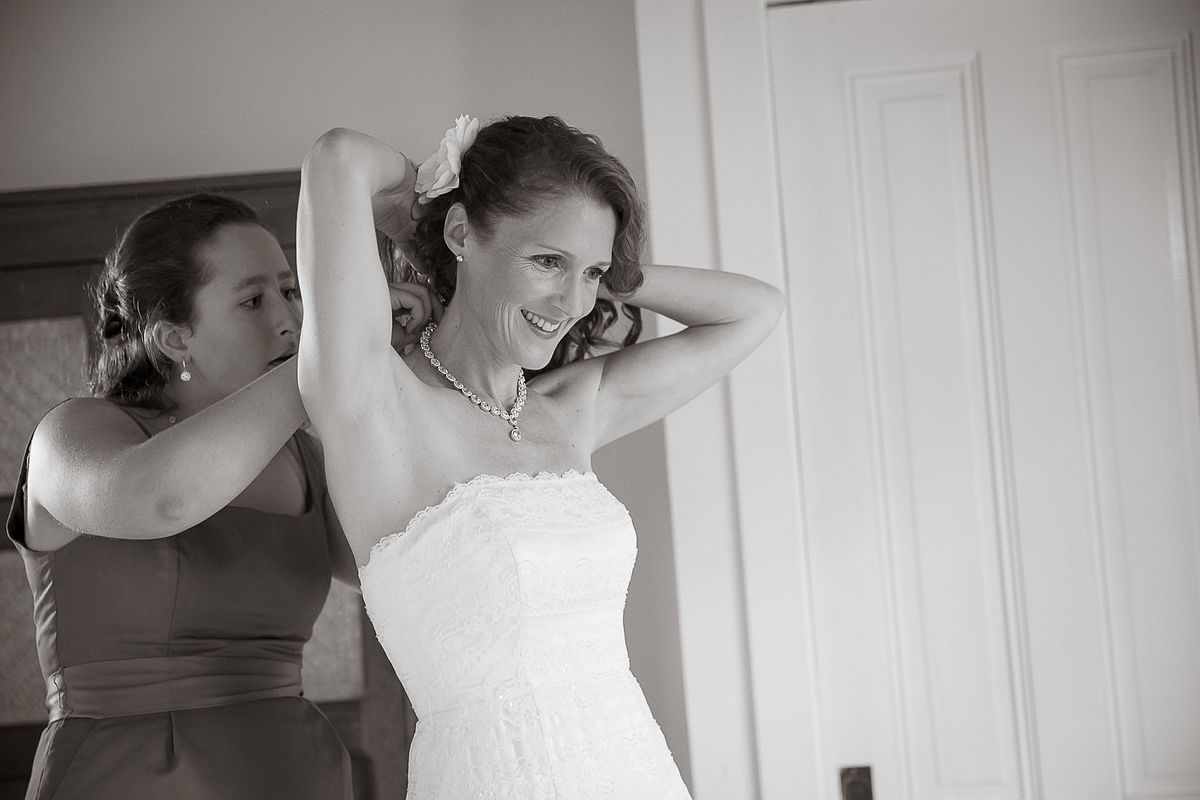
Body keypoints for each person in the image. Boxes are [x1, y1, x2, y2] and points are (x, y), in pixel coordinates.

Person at [297, 115, 783, 799]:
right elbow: (339, 156)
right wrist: (426, 199)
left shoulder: (570, 408)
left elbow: (756, 310)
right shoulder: (376, 406)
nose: (574, 302)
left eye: (593, 272)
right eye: (547, 261)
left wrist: (609, 272)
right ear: (462, 233)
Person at [7, 194, 437, 800]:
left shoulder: (304, 453)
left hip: (292, 772)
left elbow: (400, 559)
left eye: (290, 291)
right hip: (126, 776)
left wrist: (410, 374)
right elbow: (163, 500)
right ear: (174, 337)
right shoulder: (71, 433)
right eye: (253, 300)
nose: (290, 320)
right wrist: (333, 356)